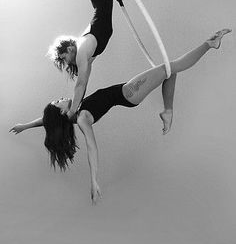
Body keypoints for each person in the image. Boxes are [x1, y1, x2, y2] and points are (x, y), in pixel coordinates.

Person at [10, 29, 231, 204]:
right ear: (61, 111)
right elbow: (92, 147)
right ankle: (209, 45)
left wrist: (25, 125)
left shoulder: (72, 113)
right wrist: (94, 180)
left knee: (170, 69)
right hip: (129, 93)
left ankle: (167, 111)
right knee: (171, 66)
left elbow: (46, 121)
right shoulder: (82, 118)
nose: (59, 98)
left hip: (127, 93)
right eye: (57, 101)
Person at [47, 0, 123, 121]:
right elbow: (84, 82)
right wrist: (74, 108)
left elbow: (79, 84)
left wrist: (72, 111)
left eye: (64, 59)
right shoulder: (87, 58)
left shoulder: (81, 51)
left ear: (69, 50)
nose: (67, 63)